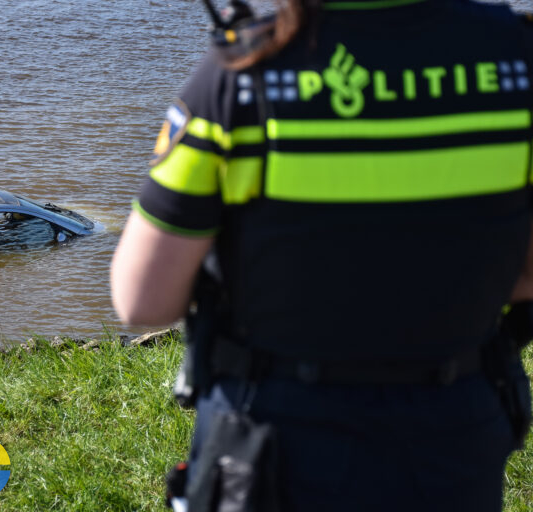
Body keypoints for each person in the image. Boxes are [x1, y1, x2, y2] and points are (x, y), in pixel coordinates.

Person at [111, 0, 533, 510]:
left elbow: (143, 301)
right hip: (452, 435)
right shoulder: (516, 59)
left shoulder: (242, 76)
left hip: (279, 444)